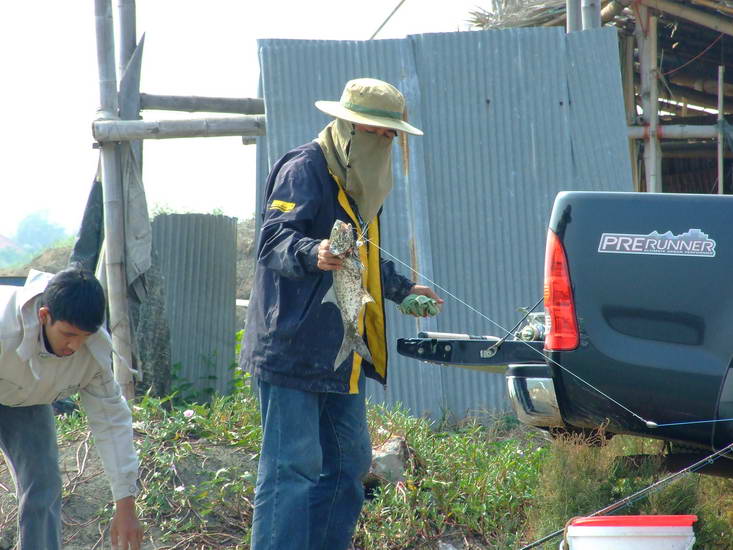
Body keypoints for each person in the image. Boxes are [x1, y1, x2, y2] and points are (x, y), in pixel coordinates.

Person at [240, 77, 443, 550]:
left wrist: (401, 289)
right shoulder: (305, 168)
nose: (389, 143)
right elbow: (273, 240)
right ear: (352, 128)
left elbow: (362, 255)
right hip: (290, 346)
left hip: (339, 350)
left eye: (394, 135)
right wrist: (314, 251)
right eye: (383, 133)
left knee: (350, 463)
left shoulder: (357, 181)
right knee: (292, 467)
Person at [0, 265, 143, 550]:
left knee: (44, 485)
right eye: (67, 334)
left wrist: (125, 506)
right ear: (44, 316)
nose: (74, 346)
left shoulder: (94, 356)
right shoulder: (4, 328)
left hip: (26, 400)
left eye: (83, 336)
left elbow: (112, 424)